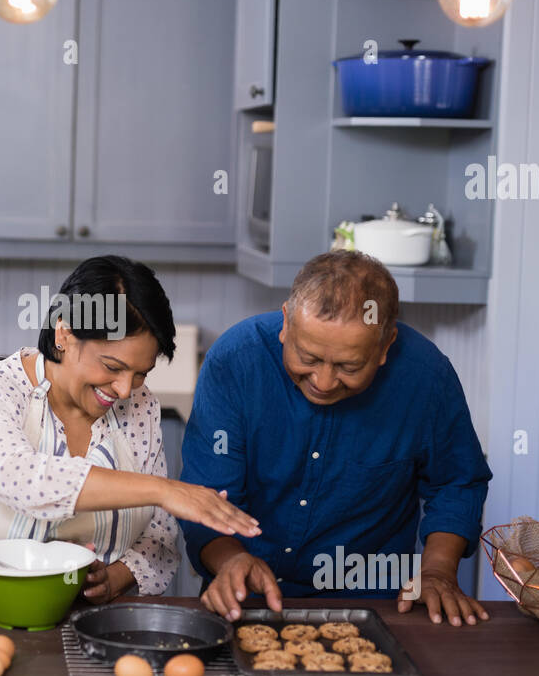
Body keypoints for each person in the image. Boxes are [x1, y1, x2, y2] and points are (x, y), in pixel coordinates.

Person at [179, 251, 492, 626]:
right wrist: (230, 560)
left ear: (385, 344)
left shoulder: (427, 379)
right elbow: (208, 493)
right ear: (285, 324)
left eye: (349, 366)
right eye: (308, 358)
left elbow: (457, 482)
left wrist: (438, 570)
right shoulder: (235, 363)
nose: (324, 383)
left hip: (377, 603)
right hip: (244, 593)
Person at [0, 255, 259, 602]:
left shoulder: (139, 406)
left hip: (95, 627)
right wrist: (164, 490)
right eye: (112, 366)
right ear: (64, 333)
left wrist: (114, 579)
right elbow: (21, 479)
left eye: (141, 373)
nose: (124, 390)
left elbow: (158, 534)